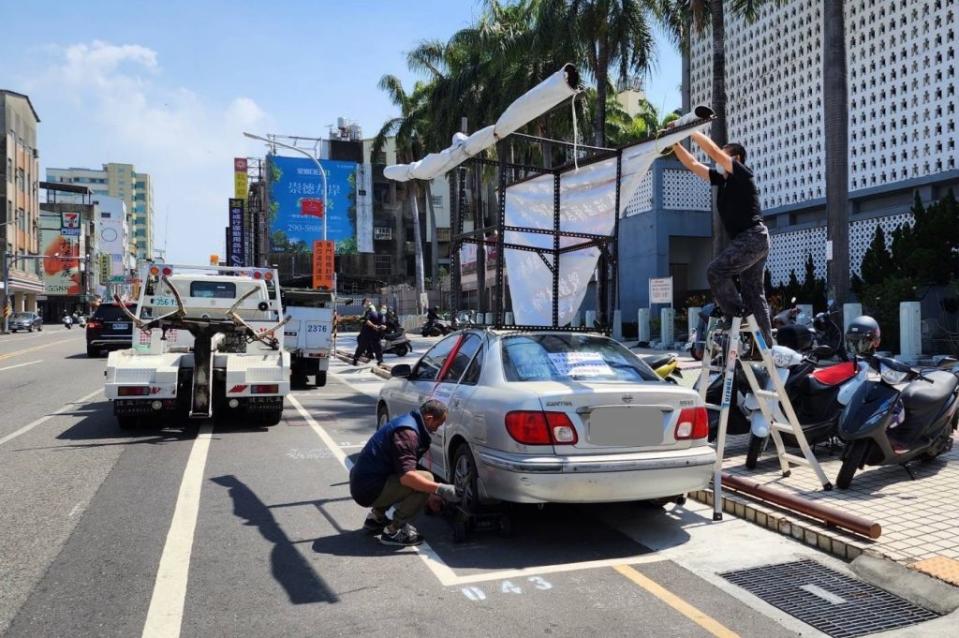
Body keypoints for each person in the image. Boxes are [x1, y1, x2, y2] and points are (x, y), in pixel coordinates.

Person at [672, 132, 773, 343]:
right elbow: (692, 164)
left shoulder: (742, 173)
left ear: (735, 159)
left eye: (724, 155)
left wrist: (689, 130)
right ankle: (765, 344)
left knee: (716, 271)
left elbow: (713, 152)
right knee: (753, 292)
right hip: (752, 240)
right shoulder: (721, 180)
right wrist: (673, 142)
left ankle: (737, 316)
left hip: (752, 237)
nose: (717, 161)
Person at [349, 400, 460, 546]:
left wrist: (430, 495)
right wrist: (440, 489)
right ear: (429, 418)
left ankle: (376, 518)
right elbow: (407, 478)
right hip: (367, 489)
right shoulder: (408, 434)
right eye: (438, 424)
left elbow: (400, 469)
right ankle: (393, 531)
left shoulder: (409, 421)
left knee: (419, 480)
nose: (437, 429)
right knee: (426, 478)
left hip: (365, 482)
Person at [352, 298, 386, 365]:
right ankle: (356, 358)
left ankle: (380, 360)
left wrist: (381, 327)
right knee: (363, 346)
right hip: (368, 333)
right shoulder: (372, 312)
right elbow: (366, 320)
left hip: (372, 334)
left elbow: (384, 325)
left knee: (377, 347)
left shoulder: (375, 312)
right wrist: (375, 326)